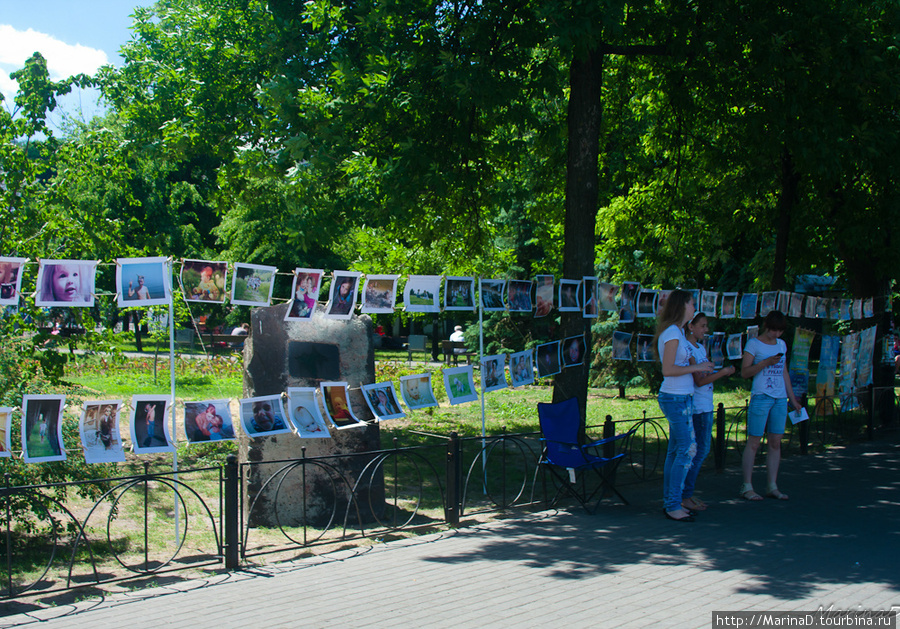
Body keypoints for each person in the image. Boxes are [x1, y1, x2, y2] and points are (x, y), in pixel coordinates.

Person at [655, 289, 713, 523]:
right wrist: (697, 368)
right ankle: (673, 505)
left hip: (683, 397)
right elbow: (668, 370)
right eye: (691, 304)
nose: (693, 308)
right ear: (682, 306)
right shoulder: (672, 333)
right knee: (688, 449)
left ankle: (672, 500)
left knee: (677, 450)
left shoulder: (678, 332)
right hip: (674, 398)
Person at [740, 310, 802, 501]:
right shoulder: (754, 344)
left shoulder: (781, 344)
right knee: (754, 441)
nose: (776, 335)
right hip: (761, 396)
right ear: (767, 326)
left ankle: (772, 485)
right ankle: (747, 485)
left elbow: (784, 372)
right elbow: (745, 372)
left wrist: (793, 399)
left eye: (780, 331)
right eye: (773, 330)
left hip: (779, 398)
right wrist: (766, 362)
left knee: (775, 442)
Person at [682, 312, 735, 512]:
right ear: (691, 327)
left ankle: (686, 492)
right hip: (698, 407)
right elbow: (699, 380)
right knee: (699, 450)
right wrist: (721, 373)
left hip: (706, 404)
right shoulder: (688, 349)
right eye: (702, 326)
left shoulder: (700, 348)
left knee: (700, 450)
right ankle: (684, 494)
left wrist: (716, 371)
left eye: (706, 326)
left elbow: (704, 374)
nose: (706, 330)